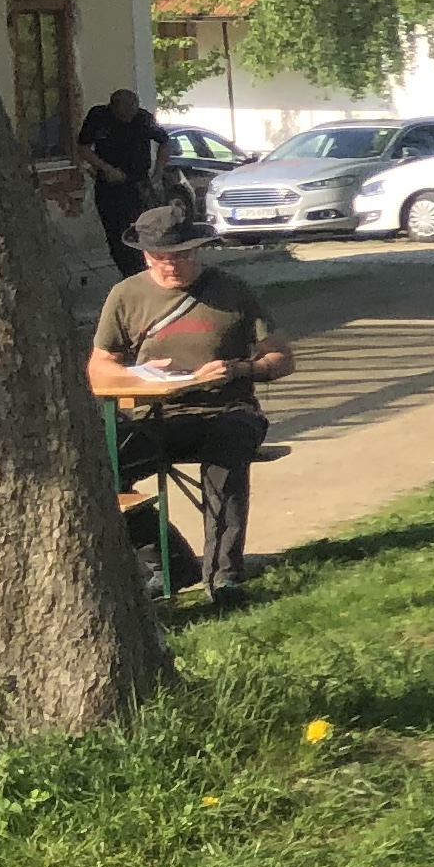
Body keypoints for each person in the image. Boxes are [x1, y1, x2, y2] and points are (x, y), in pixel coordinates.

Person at [86, 203, 291, 600]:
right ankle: (171, 564)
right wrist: (137, 376)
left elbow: (281, 358)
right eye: (160, 257)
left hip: (227, 409)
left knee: (225, 457)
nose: (171, 265)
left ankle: (223, 578)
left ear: (197, 249)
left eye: (180, 255)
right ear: (145, 255)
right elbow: (99, 369)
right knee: (98, 468)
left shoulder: (232, 291)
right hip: (155, 415)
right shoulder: (126, 295)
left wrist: (237, 370)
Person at [78, 87, 170, 264]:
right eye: (126, 110)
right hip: (110, 185)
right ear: (114, 107)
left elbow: (164, 142)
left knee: (144, 229)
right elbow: (83, 147)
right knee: (116, 233)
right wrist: (106, 168)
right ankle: (127, 269)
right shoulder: (98, 117)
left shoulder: (143, 119)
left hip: (139, 184)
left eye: (134, 108)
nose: (131, 114)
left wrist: (158, 173)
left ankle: (147, 266)